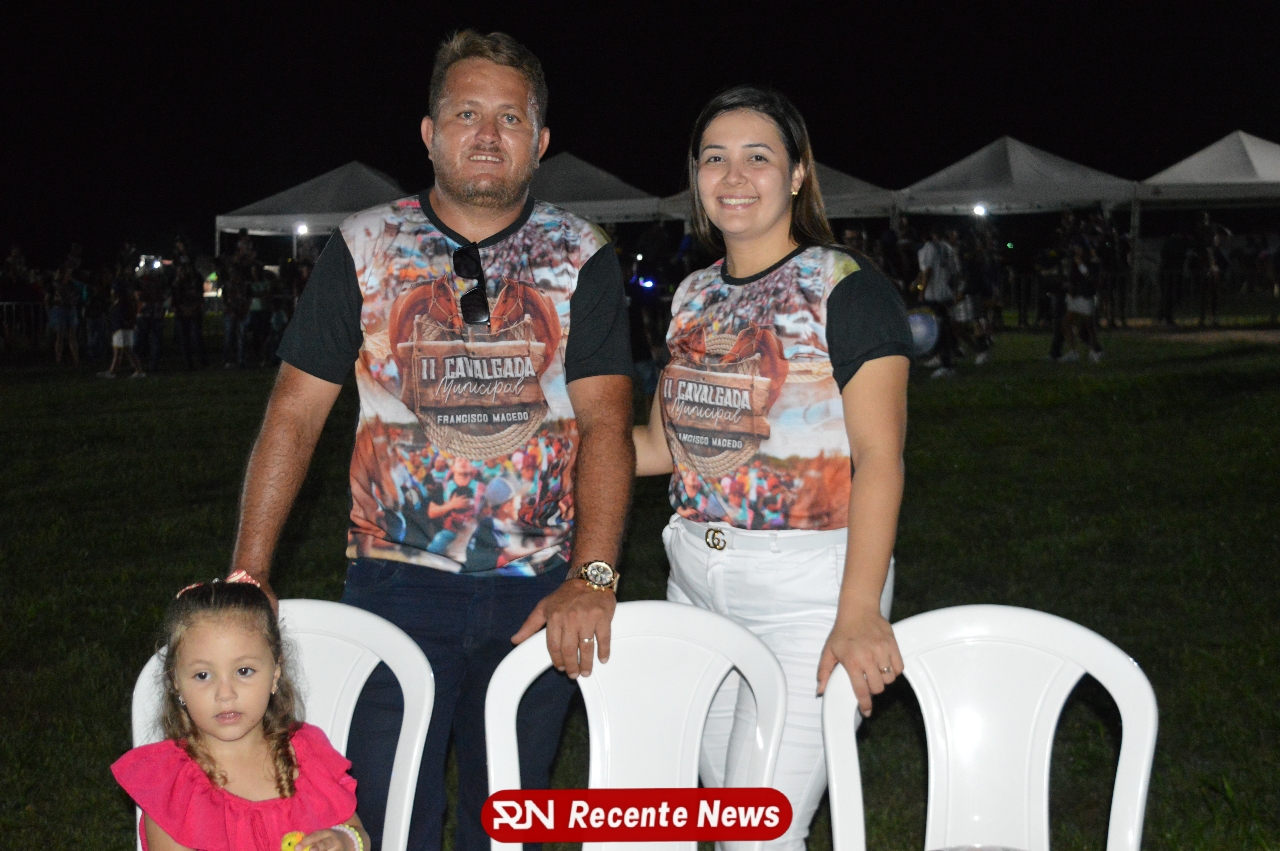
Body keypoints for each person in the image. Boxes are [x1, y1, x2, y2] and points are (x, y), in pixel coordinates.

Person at [230, 30, 633, 851]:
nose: (487, 134)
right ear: (429, 132)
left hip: (536, 589)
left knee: (509, 823)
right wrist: (249, 571)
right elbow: (295, 413)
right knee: (385, 816)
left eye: (510, 118)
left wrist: (592, 575)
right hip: (394, 583)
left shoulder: (581, 255)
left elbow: (605, 423)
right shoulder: (364, 245)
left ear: (540, 141)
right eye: (466, 113)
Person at [631, 86, 913, 851]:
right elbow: (660, 446)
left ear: (796, 174)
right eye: (714, 158)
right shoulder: (692, 295)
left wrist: (859, 610)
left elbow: (880, 457)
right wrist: (548, 442)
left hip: (808, 593)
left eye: (757, 156)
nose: (733, 175)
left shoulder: (844, 286)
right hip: (694, 584)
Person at [111, 577, 369, 851]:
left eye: (244, 671)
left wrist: (345, 841)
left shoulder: (308, 755)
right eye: (203, 675)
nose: (225, 694)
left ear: (275, 673)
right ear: (176, 682)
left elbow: (359, 834)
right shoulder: (173, 786)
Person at [917, 227, 960, 376]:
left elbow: (928, 270)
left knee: (938, 329)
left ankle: (945, 364)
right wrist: (953, 291)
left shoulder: (930, 248)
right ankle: (944, 357)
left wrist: (922, 291)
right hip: (946, 293)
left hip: (934, 294)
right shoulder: (949, 248)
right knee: (946, 327)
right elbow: (955, 273)